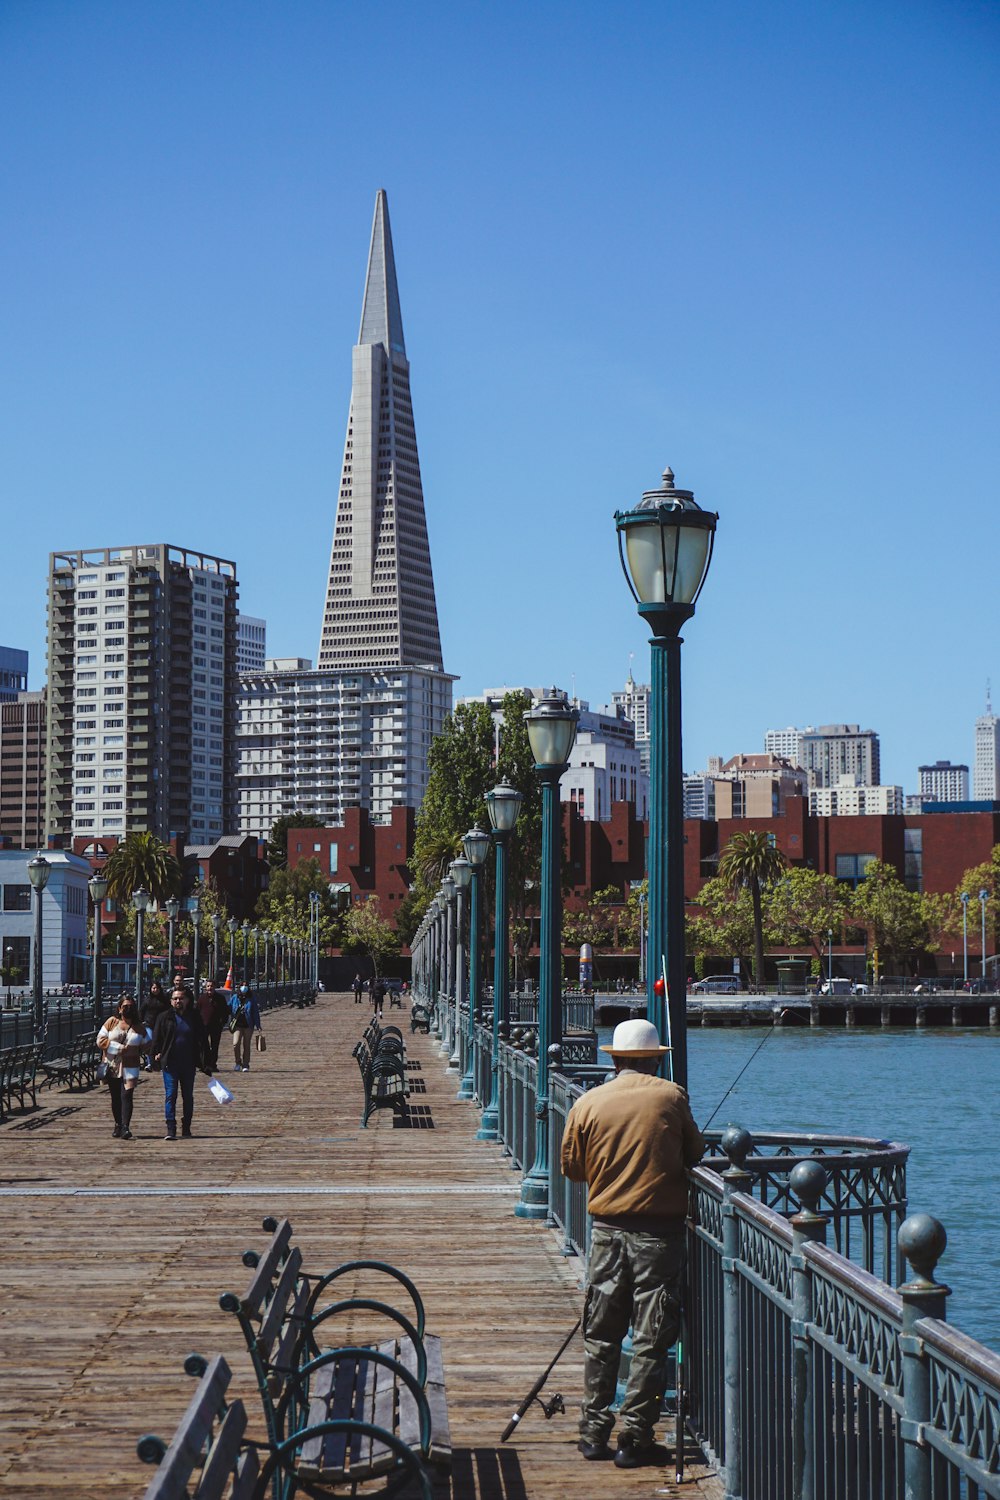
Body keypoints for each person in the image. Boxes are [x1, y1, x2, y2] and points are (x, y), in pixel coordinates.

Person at [560, 1018, 704, 1469]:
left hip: (606, 1233)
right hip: (659, 1238)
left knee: (601, 1333)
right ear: (655, 1059)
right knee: (651, 1339)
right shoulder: (671, 1097)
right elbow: (695, 1153)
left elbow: (571, 1168)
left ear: (616, 1058)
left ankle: (592, 1433)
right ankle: (636, 1438)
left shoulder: (588, 1102)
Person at [151, 985, 212, 1140]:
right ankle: (171, 1128)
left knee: (188, 1096)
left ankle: (186, 1127)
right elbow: (157, 1038)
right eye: (175, 999)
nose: (178, 1001)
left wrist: (206, 1060)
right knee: (171, 1095)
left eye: (181, 998)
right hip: (170, 1063)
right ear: (171, 1001)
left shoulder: (194, 1016)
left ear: (187, 1000)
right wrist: (156, 1054)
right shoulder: (164, 1017)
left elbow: (202, 1039)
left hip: (188, 1063)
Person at [97, 996, 152, 1139]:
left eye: (131, 1006)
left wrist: (155, 1054)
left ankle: (126, 1127)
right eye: (125, 1006)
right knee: (115, 1097)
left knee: (127, 1095)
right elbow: (100, 1040)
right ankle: (118, 1124)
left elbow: (148, 1045)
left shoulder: (138, 1027)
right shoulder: (111, 1022)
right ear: (119, 1009)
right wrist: (119, 1048)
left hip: (131, 1065)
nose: (128, 1009)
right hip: (113, 1065)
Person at [229, 982, 263, 1072]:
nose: (244, 987)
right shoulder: (235, 998)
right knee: (235, 1044)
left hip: (248, 1025)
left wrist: (258, 1025)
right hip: (237, 1025)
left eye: (245, 986)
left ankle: (245, 1064)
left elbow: (255, 1013)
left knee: (246, 1045)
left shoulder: (251, 999)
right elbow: (228, 1008)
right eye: (242, 986)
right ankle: (237, 1062)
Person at [198, 978, 230, 1070]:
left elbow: (225, 1011)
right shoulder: (202, 998)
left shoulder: (220, 998)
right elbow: (197, 1011)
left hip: (216, 1026)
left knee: (214, 1046)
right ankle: (204, 1064)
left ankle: (213, 1064)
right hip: (204, 1026)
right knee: (203, 1046)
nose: (209, 988)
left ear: (215, 987)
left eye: (211, 986)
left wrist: (222, 1022)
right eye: (208, 986)